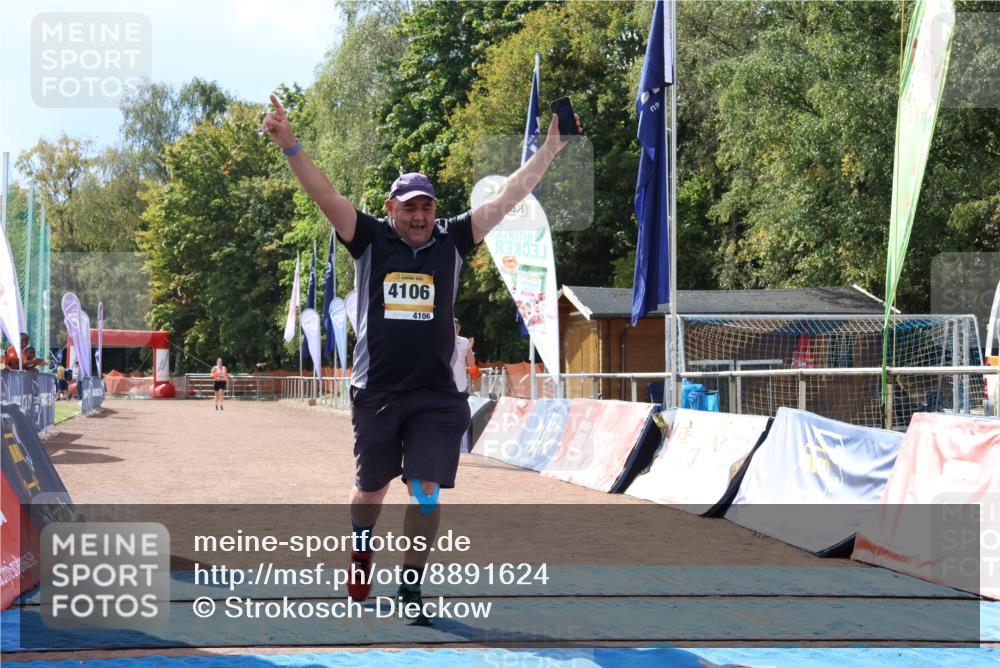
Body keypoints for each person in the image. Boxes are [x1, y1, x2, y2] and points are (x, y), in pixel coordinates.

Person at [262, 92, 582, 625]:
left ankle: (411, 586)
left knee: (427, 491)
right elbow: (325, 196)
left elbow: (507, 196)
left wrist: (549, 149)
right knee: (371, 488)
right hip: (378, 392)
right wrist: (291, 144)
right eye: (409, 206)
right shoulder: (368, 238)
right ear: (391, 209)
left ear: (436, 210)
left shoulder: (454, 239)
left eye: (426, 206)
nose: (419, 215)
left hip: (437, 395)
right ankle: (361, 547)